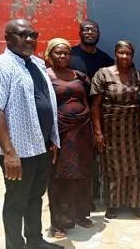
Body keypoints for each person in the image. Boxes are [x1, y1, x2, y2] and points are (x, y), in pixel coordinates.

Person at [0, 19, 63, 249]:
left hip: (40, 146)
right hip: (17, 152)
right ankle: (15, 245)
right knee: (17, 201)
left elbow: (46, 102)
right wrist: (9, 153)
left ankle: (35, 241)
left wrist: (52, 138)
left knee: (35, 197)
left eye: (33, 35)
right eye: (21, 35)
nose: (29, 39)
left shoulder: (36, 64)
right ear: (7, 38)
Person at [90, 40, 140, 220]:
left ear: (132, 56)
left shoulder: (136, 75)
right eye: (121, 52)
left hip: (133, 130)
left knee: (135, 167)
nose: (125, 56)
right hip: (111, 129)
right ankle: (113, 205)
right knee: (113, 168)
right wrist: (98, 132)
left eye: (128, 53)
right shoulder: (103, 74)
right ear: (115, 54)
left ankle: (134, 205)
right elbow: (95, 106)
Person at [44, 38, 95, 238]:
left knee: (82, 174)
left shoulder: (79, 76)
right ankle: (58, 223)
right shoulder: (45, 77)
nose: (63, 56)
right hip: (61, 135)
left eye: (66, 52)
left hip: (82, 133)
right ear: (49, 54)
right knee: (60, 178)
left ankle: (80, 214)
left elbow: (89, 100)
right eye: (58, 52)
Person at [69, 19, 114, 209]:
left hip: (98, 116)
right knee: (75, 157)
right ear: (80, 33)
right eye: (86, 30)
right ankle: (77, 198)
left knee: (94, 158)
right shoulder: (69, 56)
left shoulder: (105, 60)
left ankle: (92, 195)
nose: (90, 33)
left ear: (99, 34)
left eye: (94, 30)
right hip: (73, 116)